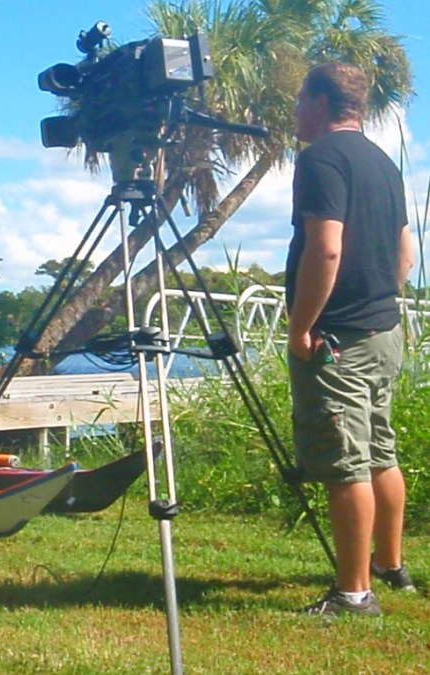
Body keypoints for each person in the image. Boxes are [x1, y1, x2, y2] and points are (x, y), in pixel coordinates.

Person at [286, 62, 415, 616]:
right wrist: (380, 298)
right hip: (384, 329)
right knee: (381, 452)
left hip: (339, 337)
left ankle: (354, 594)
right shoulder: (383, 162)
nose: (294, 111)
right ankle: (390, 566)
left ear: (318, 101)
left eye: (298, 100)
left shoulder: (320, 158)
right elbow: (404, 248)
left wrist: (301, 326)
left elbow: (326, 248)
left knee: (347, 465)